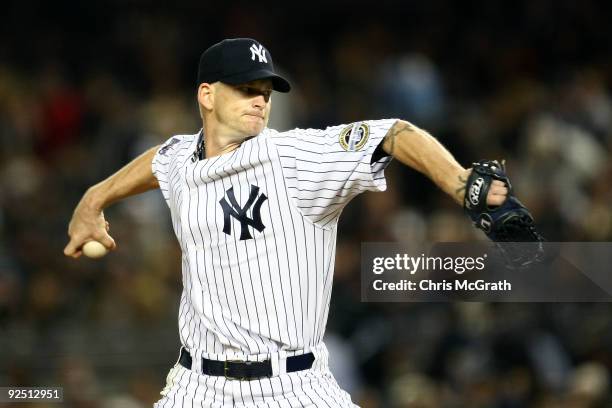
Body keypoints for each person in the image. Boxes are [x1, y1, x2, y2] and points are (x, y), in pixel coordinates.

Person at [64, 38, 508, 407]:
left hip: (291, 386)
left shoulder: (292, 157)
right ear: (207, 95)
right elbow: (160, 159)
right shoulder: (183, 157)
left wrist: (458, 180)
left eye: (265, 91)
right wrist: (93, 198)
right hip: (195, 386)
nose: (259, 99)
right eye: (244, 88)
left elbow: (392, 132)